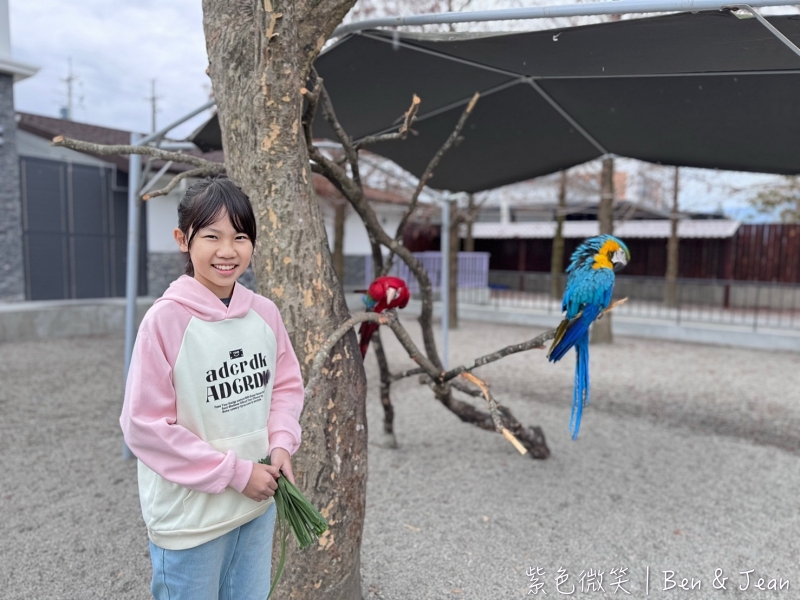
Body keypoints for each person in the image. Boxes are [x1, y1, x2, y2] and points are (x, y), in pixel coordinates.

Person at [120, 177, 304, 600]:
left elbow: (286, 387)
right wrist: (236, 473)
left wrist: (280, 443)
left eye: (240, 236)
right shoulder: (165, 321)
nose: (228, 250)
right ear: (183, 240)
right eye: (212, 236)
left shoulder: (264, 313)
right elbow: (144, 426)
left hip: (256, 505)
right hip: (192, 520)